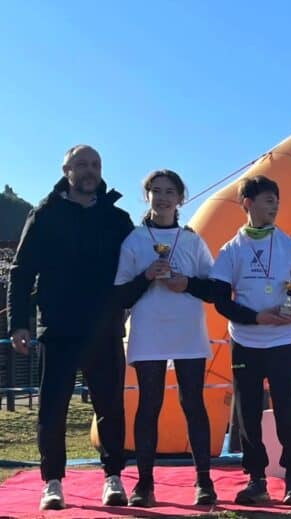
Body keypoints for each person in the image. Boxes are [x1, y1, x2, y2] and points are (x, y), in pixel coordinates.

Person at [7, 145, 133, 510]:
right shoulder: (44, 214)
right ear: (67, 171)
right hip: (59, 328)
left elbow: (138, 265)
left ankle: (113, 478)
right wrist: (18, 324)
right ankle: (53, 483)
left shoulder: (117, 218)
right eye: (81, 164)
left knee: (110, 406)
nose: (89, 170)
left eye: (95, 164)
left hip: (104, 327)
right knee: (52, 409)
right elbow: (21, 271)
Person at [113, 170, 217, 507]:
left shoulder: (191, 240)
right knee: (149, 404)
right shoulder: (134, 240)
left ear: (180, 198)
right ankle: (144, 484)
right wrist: (147, 276)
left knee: (193, 403)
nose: (162, 198)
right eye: (156, 191)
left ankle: (204, 480)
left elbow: (214, 288)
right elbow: (121, 295)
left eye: (169, 192)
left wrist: (186, 283)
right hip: (149, 329)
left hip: (187, 329)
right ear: (147, 196)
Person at [209, 175, 291, 506]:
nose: (275, 206)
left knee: (286, 408)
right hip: (245, 341)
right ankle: (256, 479)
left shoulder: (288, 245)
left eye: (277, 201)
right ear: (248, 204)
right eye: (268, 200)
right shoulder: (231, 249)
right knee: (248, 411)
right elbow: (220, 300)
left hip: (281, 340)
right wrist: (255, 317)